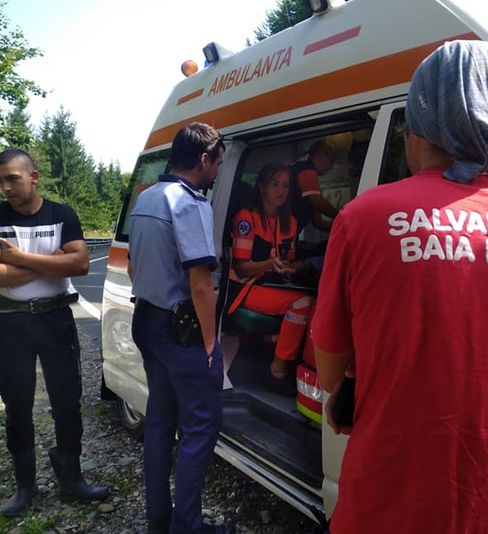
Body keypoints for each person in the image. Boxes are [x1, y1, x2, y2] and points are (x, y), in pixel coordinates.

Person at [312, 40, 488, 533]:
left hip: (390, 506)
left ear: (419, 130)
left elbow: (330, 367)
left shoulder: (364, 217)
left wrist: (354, 380)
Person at [0, 149, 108, 517]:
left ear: (33, 177)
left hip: (55, 318)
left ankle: (72, 480)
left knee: (67, 401)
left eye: (12, 179)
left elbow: (80, 263)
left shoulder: (62, 214)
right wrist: (51, 263)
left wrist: (19, 259)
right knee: (17, 405)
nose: (5, 187)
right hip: (11, 322)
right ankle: (25, 489)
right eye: (0, 181)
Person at [128, 123, 232, 534]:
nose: (216, 173)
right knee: (200, 427)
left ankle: (159, 519)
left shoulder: (147, 197)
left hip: (147, 321)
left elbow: (134, 266)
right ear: (204, 160)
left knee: (159, 421)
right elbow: (201, 284)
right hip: (181, 331)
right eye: (217, 164)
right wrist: (210, 346)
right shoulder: (190, 203)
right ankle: (187, 525)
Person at [228, 161, 314, 380]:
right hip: (244, 287)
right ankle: (279, 367)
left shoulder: (290, 222)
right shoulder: (247, 218)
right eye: (275, 184)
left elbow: (288, 261)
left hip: (274, 282)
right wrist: (270, 264)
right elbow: (241, 267)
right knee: (302, 302)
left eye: (286, 185)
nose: (281, 191)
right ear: (261, 187)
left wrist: (299, 266)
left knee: (316, 299)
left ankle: (271, 342)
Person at [289, 139, 339, 233]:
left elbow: (317, 222)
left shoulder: (300, 169)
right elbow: (318, 202)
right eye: (331, 161)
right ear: (320, 155)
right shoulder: (306, 169)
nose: (331, 167)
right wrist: (341, 216)